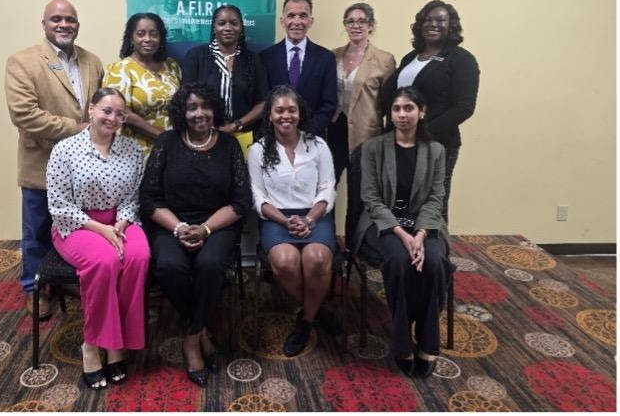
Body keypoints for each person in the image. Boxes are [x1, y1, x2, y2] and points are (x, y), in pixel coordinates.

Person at [139, 83, 251, 387]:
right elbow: (149, 198)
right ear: (182, 112)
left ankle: (190, 339)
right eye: (192, 107)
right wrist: (178, 228)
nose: (200, 113)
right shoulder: (167, 142)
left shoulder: (228, 145)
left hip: (217, 224)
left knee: (210, 264)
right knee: (169, 266)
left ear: (214, 109)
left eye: (205, 106)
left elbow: (241, 201)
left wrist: (205, 229)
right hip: (171, 223)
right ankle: (201, 330)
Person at [5, 0, 104, 319]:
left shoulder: (92, 62)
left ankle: (65, 280)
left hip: (83, 167)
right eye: (56, 19)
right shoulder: (22, 62)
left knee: (75, 228)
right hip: (42, 164)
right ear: (44, 24)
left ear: (78, 24)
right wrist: (77, 128)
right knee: (37, 231)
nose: (64, 25)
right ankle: (35, 290)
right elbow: (24, 115)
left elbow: (98, 108)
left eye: (70, 19)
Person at [46, 87, 150, 390]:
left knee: (139, 256)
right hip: (76, 224)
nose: (112, 118)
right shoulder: (65, 149)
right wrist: (102, 230)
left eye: (120, 114)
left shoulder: (132, 149)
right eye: (106, 110)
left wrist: (120, 223)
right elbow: (59, 205)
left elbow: (134, 196)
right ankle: (91, 345)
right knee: (105, 261)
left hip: (120, 220)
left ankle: (118, 343)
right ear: (91, 110)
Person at [355, 86, 453, 378]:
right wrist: (401, 233)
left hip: (424, 224)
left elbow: (436, 198)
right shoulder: (373, 148)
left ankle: (427, 341)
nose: (401, 114)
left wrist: (420, 234)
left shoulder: (436, 151)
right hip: (383, 223)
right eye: (396, 108)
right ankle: (401, 343)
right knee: (399, 261)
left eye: (409, 108)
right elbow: (371, 198)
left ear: (422, 112)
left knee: (434, 263)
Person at [247, 85, 340, 357]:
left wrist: (309, 219)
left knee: (316, 259)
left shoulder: (318, 145)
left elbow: (327, 188)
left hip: (315, 213)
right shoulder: (258, 150)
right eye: (279, 110)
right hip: (276, 217)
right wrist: (286, 222)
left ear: (300, 114)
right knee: (286, 261)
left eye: (291, 110)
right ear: (270, 115)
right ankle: (317, 311)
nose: (285, 116)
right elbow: (257, 195)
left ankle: (305, 321)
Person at [381, 0, 479, 219]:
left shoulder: (461, 60)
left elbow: (464, 107)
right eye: (428, 19)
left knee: (432, 204)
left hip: (437, 143)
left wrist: (423, 132)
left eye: (440, 20)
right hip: (401, 143)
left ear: (451, 25)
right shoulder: (410, 58)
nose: (433, 24)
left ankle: (435, 242)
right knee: (403, 202)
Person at [182, 4, 269, 151]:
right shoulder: (196, 56)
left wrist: (237, 124)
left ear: (241, 27)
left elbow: (263, 102)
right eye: (221, 23)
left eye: (234, 23)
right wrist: (210, 125)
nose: (228, 28)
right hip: (203, 134)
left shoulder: (252, 60)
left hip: (243, 135)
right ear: (214, 27)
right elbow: (186, 98)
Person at [328, 2, 396, 184]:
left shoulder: (384, 60)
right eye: (350, 21)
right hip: (334, 129)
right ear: (345, 25)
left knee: (360, 189)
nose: (355, 26)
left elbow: (389, 103)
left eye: (361, 21)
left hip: (366, 134)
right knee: (326, 186)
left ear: (371, 25)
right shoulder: (332, 56)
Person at [103, 13, 181, 158]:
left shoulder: (172, 66)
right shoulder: (120, 69)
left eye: (154, 34)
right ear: (131, 38)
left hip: (174, 147)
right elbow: (122, 112)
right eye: (140, 34)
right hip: (137, 150)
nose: (147, 39)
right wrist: (162, 136)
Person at [260, 0, 337, 138]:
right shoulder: (265, 57)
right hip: (275, 137)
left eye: (303, 16)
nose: (297, 21)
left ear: (311, 21)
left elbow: (329, 104)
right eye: (291, 16)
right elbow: (264, 101)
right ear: (282, 21)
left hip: (312, 137)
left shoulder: (326, 58)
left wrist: (307, 132)